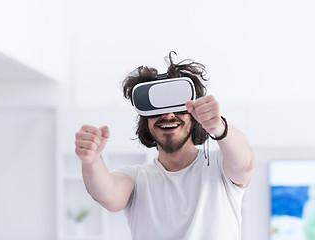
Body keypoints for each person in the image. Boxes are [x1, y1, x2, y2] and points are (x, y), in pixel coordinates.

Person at [74, 52, 255, 240]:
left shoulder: (219, 167)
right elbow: (108, 194)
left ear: (194, 115)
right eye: (156, 109)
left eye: (177, 106)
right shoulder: (136, 178)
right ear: (145, 121)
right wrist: (92, 160)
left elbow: (245, 165)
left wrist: (219, 127)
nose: (168, 115)